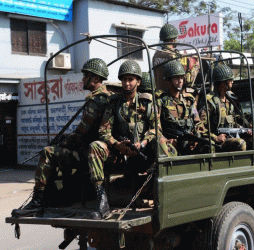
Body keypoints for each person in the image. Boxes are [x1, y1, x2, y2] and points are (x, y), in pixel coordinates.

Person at [12, 58, 112, 218]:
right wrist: (68, 138)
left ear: (96, 78)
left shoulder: (97, 100)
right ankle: (44, 202)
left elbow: (81, 135)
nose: (83, 79)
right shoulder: (103, 97)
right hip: (92, 150)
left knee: (47, 152)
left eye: (86, 75)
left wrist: (65, 142)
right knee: (51, 151)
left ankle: (38, 203)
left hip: (95, 152)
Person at [86, 61, 175, 219]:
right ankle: (102, 202)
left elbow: (156, 129)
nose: (127, 83)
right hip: (121, 154)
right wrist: (117, 144)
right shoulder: (114, 103)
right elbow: (103, 131)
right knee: (95, 146)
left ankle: (166, 194)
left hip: (144, 156)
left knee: (160, 141)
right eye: (124, 79)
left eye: (131, 79)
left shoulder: (148, 103)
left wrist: (144, 142)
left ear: (138, 82)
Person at [199, 64, 254, 151]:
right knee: (240, 143)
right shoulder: (210, 101)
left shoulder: (230, 99)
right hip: (218, 140)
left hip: (231, 136)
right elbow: (200, 126)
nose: (232, 81)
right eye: (230, 80)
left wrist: (243, 129)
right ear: (223, 82)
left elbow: (232, 122)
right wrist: (215, 137)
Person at [157, 60, 206, 155]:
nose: (180, 81)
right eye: (176, 78)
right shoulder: (161, 101)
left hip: (189, 141)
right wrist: (167, 140)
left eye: (181, 78)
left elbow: (198, 123)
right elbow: (156, 128)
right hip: (172, 143)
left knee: (209, 146)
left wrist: (196, 137)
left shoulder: (189, 100)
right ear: (168, 80)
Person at [152, 23, 199, 91]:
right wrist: (196, 65)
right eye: (176, 38)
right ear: (172, 40)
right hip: (170, 95)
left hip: (158, 93)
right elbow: (185, 80)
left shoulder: (156, 55)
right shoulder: (173, 55)